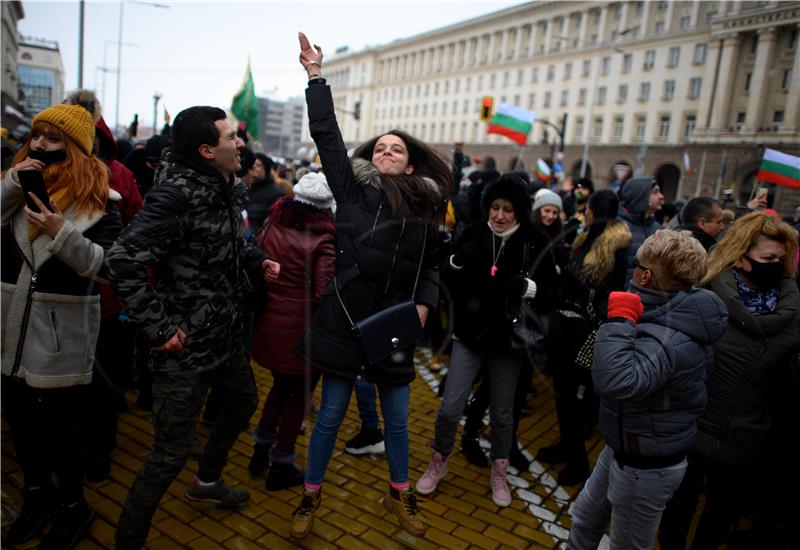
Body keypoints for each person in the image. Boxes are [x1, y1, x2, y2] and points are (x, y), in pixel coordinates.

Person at [290, 32, 451, 541]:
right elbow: (327, 136)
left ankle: (400, 494)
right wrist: (317, 77)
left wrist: (425, 305)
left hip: (395, 326)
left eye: (395, 148)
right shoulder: (351, 187)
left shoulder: (425, 206)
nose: (385, 151)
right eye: (380, 146)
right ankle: (309, 498)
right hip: (344, 317)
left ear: (409, 161)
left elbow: (431, 267)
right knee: (330, 416)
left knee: (399, 420)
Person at [107, 106, 280, 550]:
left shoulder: (225, 188)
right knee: (168, 455)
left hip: (223, 335)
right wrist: (160, 328)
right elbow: (122, 260)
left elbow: (230, 244)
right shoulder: (176, 196)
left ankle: (207, 481)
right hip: (183, 349)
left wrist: (258, 261)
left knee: (243, 402)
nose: (240, 143)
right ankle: (127, 541)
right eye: (230, 138)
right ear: (206, 150)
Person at [1, 101, 123, 547]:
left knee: (62, 428)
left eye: (53, 139)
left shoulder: (103, 203)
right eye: (37, 136)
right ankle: (37, 495)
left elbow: (107, 266)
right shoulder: (13, 187)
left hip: (60, 332)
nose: (39, 144)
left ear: (73, 147)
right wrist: (13, 186)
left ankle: (73, 505)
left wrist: (60, 230)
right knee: (19, 420)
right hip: (8, 328)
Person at [568, 230, 727, 550]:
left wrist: (619, 321)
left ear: (646, 275)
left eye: (636, 264)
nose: (631, 271)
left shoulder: (672, 335)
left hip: (646, 467)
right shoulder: (663, 311)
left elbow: (616, 382)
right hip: (622, 446)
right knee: (585, 517)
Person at [658, 212, 800, 550]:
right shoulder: (704, 296)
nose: (776, 266)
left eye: (781, 259)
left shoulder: (794, 312)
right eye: (768, 258)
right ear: (741, 258)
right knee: (678, 512)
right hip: (695, 426)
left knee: (720, 517)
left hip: (747, 436)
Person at [416, 174, 558, 506]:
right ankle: (437, 463)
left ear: (518, 211)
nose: (499, 215)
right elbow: (448, 283)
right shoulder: (474, 233)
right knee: (451, 407)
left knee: (503, 414)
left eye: (507, 209)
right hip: (470, 335)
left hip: (508, 340)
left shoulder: (533, 241)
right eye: (494, 207)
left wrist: (529, 288)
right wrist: (455, 263)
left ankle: (499, 472)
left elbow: (553, 292)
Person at [65, 89, 144, 483]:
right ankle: (96, 454)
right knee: (104, 384)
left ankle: (82, 454)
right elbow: (138, 238)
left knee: (78, 385)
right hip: (98, 303)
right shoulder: (119, 174)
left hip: (92, 302)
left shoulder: (118, 176)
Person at [537, 190, 631, 486]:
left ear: (596, 210)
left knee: (578, 399)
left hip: (589, 331)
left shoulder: (616, 245)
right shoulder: (585, 236)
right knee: (562, 392)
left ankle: (578, 462)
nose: (584, 213)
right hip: (567, 326)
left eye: (588, 208)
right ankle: (566, 445)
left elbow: (608, 292)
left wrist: (572, 281)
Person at [248, 172, 336, 490]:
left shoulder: (274, 223)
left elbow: (257, 260)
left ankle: (259, 452)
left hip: (270, 323)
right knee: (296, 398)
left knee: (278, 389)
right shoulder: (323, 238)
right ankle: (281, 464)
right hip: (301, 333)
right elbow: (323, 293)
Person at [618, 176, 664, 282]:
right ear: (640, 195)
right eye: (655, 192)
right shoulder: (617, 225)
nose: (661, 196)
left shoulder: (657, 228)